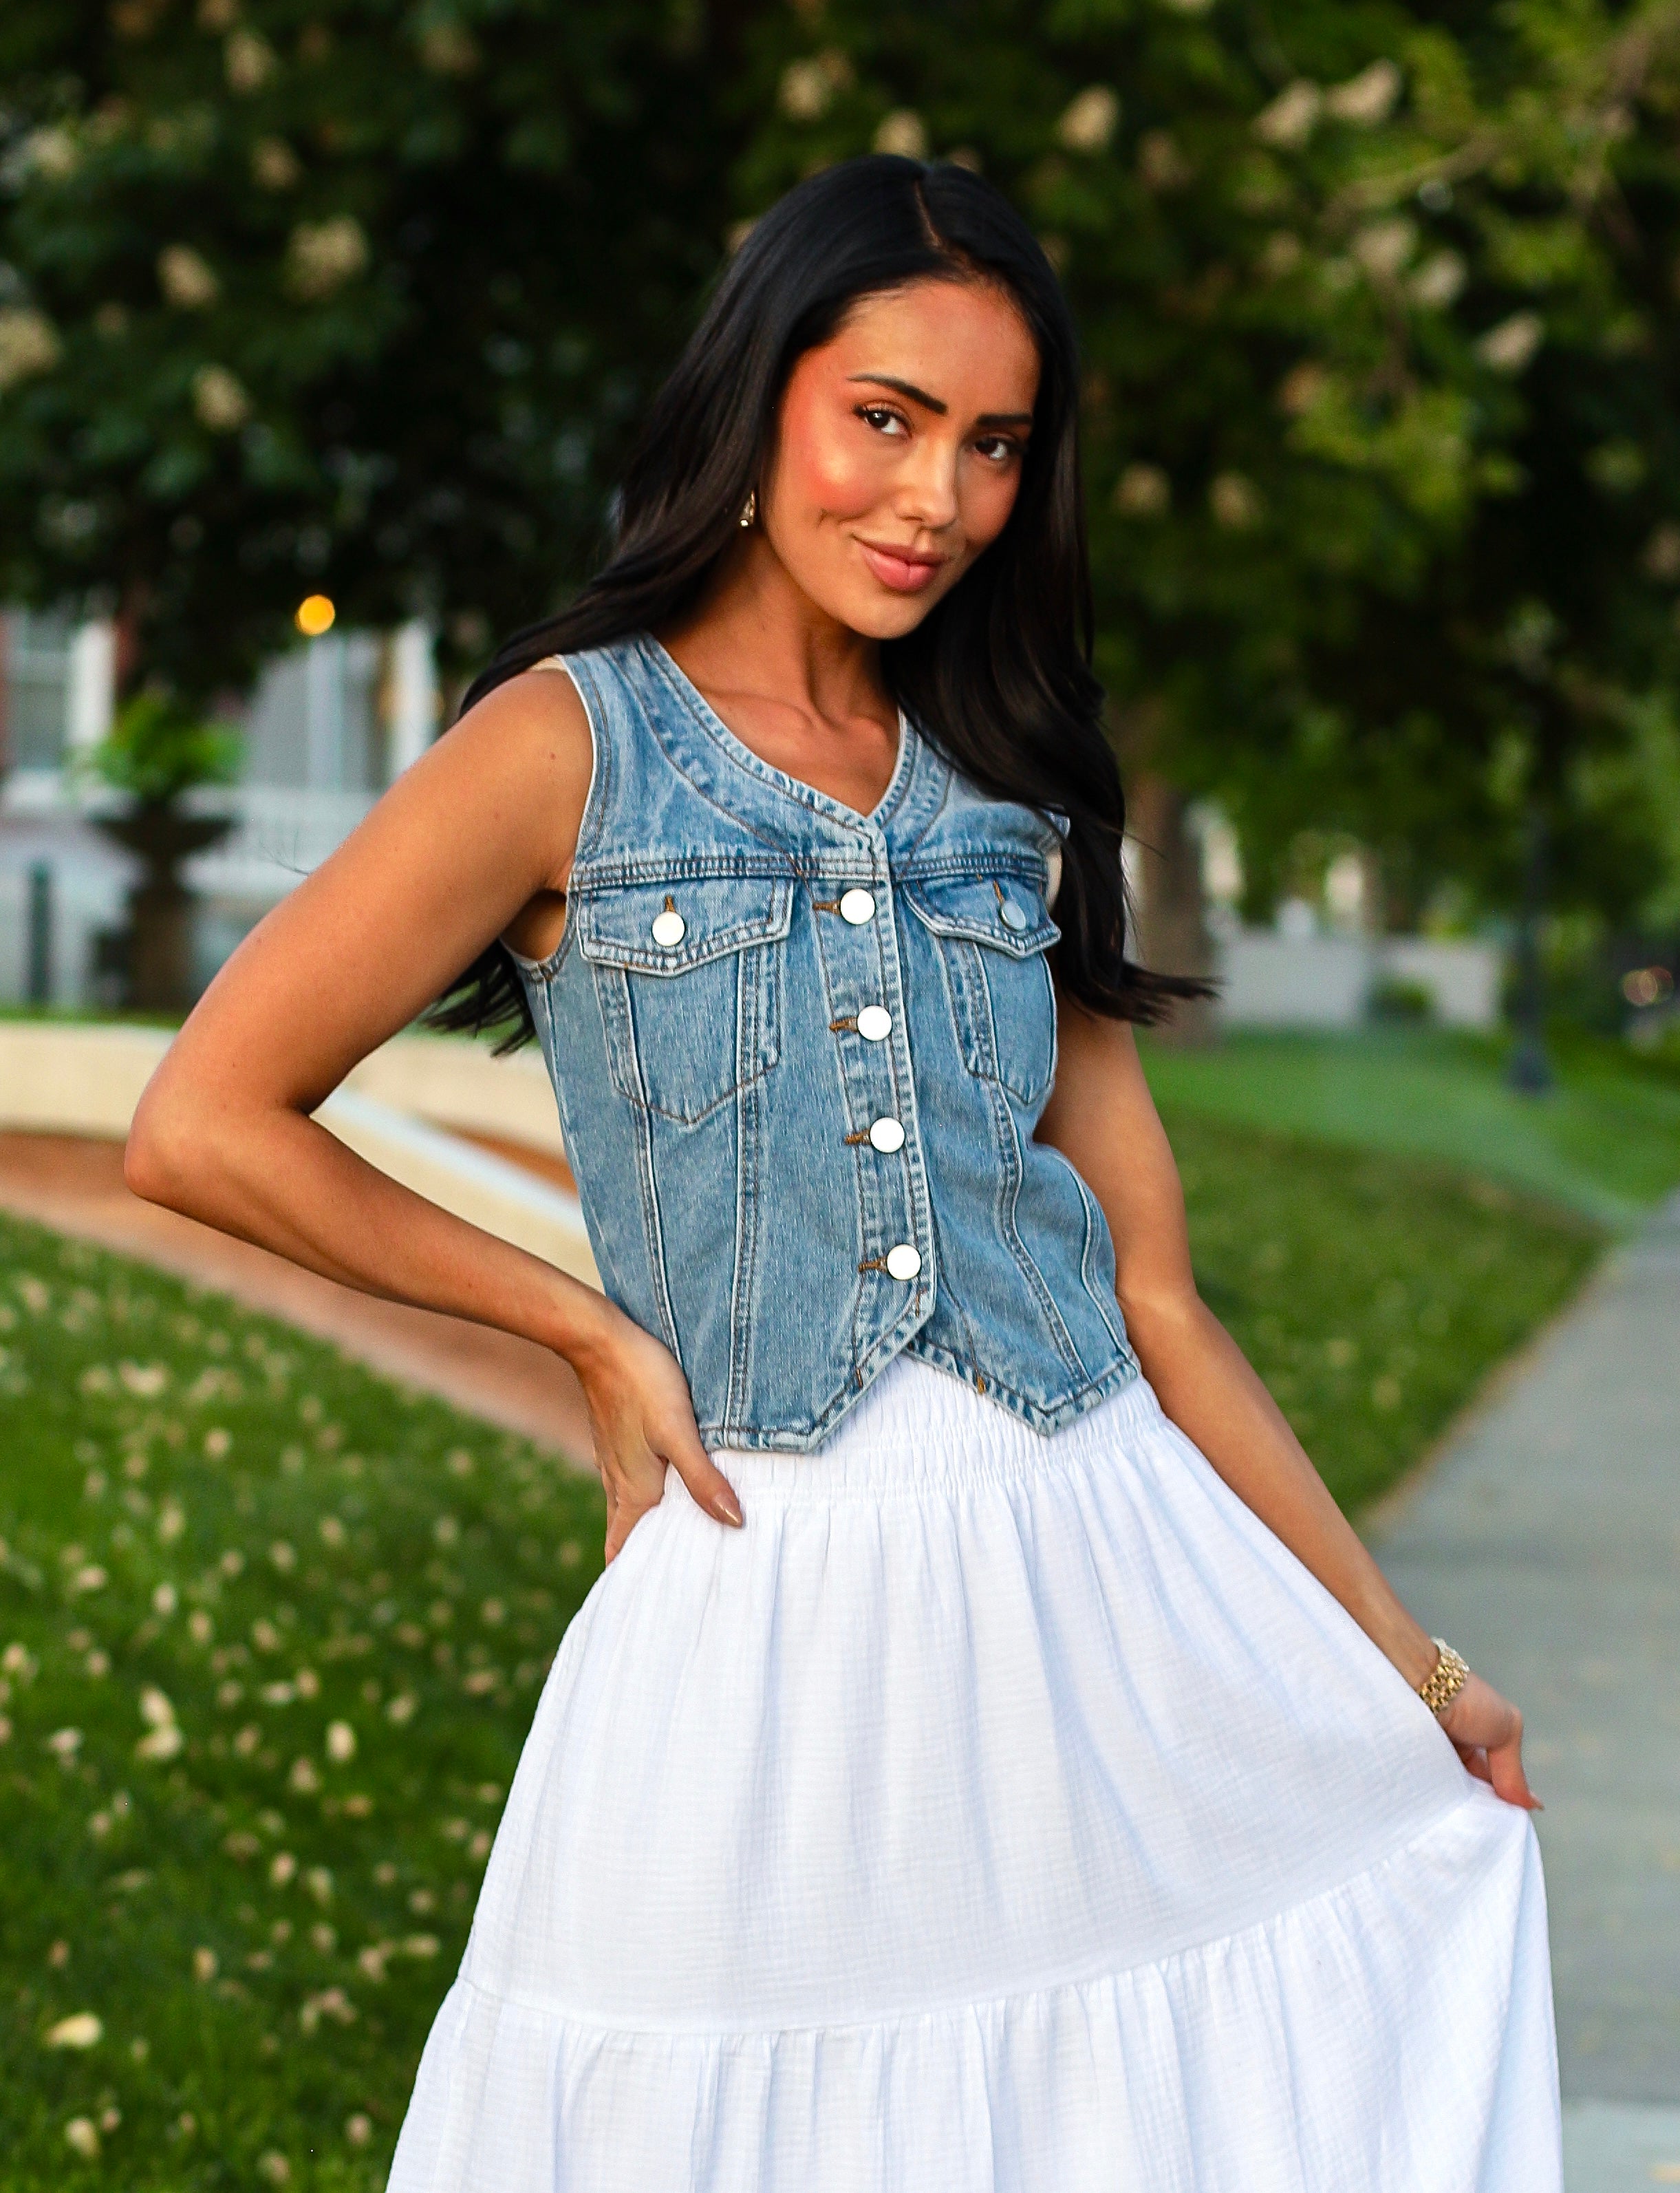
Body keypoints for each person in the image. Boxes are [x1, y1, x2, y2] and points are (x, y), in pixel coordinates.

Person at [128, 157, 1562, 2191]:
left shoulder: (1019, 786)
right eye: (884, 418)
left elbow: (1154, 1297)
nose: (937, 499)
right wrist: (585, 1335)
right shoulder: (561, 746)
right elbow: (205, 1121)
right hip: (763, 1587)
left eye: (993, 445)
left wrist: (1414, 1667)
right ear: (761, 396)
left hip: (1102, 1570)